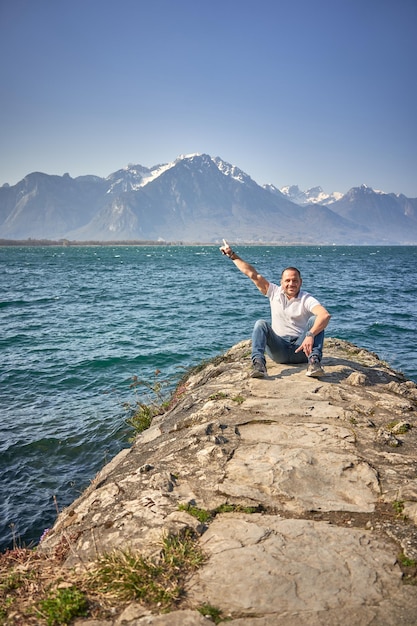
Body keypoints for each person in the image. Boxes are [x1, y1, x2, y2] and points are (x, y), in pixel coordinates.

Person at [219, 242, 331, 378]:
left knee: (316, 320)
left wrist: (310, 335)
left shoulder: (306, 298)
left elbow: (325, 315)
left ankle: (314, 363)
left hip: (302, 350)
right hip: (279, 350)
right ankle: (259, 365)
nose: (291, 284)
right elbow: (252, 274)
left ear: (300, 282)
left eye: (295, 281)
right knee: (261, 324)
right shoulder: (273, 292)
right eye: (287, 280)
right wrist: (232, 255)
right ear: (281, 282)